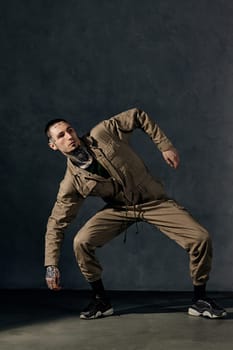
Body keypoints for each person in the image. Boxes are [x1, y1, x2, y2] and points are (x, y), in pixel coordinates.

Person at [44, 108, 226, 320]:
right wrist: (51, 264)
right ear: (53, 146)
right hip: (120, 210)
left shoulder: (102, 132)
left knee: (200, 238)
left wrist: (164, 145)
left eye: (70, 130)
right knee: (81, 242)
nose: (69, 137)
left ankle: (199, 300)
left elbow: (137, 115)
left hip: (154, 202)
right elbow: (57, 222)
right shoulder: (72, 182)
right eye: (61, 136)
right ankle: (101, 300)